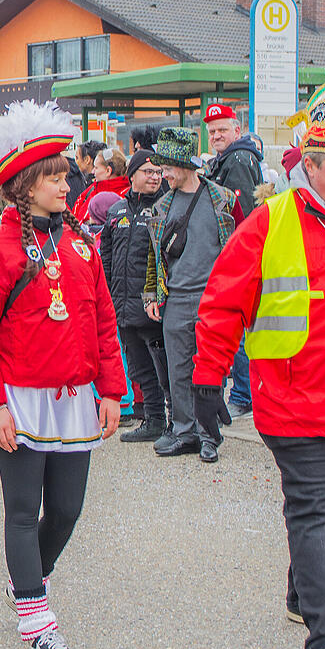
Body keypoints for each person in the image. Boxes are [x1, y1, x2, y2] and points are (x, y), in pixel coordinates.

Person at [192, 77, 325, 649]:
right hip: (293, 401)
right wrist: (207, 377)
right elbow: (223, 302)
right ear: (311, 165)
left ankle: (304, 591)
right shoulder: (272, 221)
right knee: (315, 509)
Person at [0, 101, 124, 649]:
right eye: (53, 177)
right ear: (25, 187)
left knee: (69, 510)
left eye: (64, 174)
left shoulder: (81, 245)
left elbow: (104, 321)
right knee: (21, 511)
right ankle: (36, 619)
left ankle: (27, 581)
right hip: (19, 401)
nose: (64, 183)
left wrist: (110, 390)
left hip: (77, 397)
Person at [143, 128, 237, 462]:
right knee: (178, 370)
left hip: (214, 300)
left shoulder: (223, 199)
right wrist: (151, 294)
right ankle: (184, 432)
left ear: (186, 165)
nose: (163, 173)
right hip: (176, 300)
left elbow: (239, 251)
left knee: (211, 372)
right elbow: (155, 256)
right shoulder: (161, 207)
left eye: (167, 166)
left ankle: (209, 434)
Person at [100, 150, 170, 443]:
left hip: (153, 308)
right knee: (140, 370)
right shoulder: (116, 211)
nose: (154, 177)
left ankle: (178, 423)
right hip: (122, 305)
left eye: (157, 173)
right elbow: (105, 255)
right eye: (148, 172)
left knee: (165, 371)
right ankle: (153, 420)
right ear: (132, 176)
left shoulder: (166, 208)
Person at [202, 104, 264, 421]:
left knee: (238, 329)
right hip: (238, 253)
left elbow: (237, 215)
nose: (216, 136)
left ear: (236, 130)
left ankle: (243, 394)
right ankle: (243, 391)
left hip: (239, 254)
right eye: (212, 131)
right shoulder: (227, 159)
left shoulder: (238, 159)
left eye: (222, 130)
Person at [72, 148, 129, 223]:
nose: (93, 171)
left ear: (108, 171)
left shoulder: (126, 197)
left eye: (96, 168)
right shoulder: (92, 189)